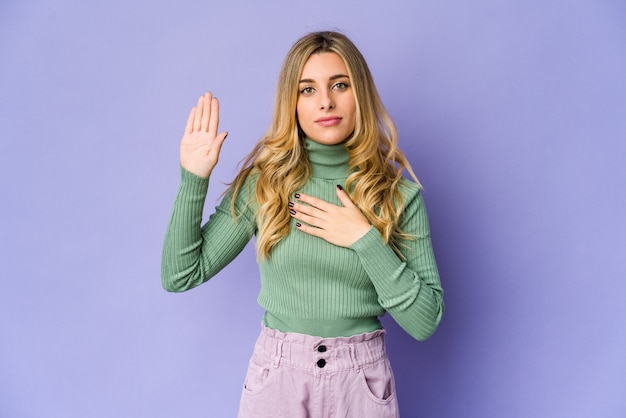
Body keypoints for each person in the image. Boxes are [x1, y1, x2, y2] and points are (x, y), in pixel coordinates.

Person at [162, 30, 444, 418]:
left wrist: (363, 238)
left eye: (339, 85)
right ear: (291, 103)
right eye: (307, 89)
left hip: (361, 385)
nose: (326, 101)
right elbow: (180, 274)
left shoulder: (397, 195)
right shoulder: (266, 184)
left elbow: (425, 321)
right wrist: (193, 178)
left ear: (359, 92)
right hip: (279, 379)